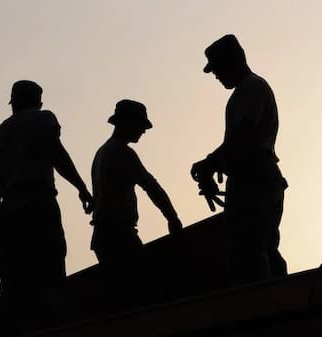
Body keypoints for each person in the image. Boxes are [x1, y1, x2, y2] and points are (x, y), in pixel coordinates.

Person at [0, 80, 93, 326]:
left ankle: (7, 332)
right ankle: (58, 328)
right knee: (51, 266)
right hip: (39, 205)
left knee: (13, 278)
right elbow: (58, 155)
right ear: (38, 102)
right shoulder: (43, 119)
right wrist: (81, 187)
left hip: (8, 213)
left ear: (13, 103)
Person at [191, 34, 288, 284]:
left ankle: (267, 301)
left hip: (255, 180)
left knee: (251, 251)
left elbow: (244, 135)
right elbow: (239, 143)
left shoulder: (250, 88)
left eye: (217, 69)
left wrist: (211, 162)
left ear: (233, 61)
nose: (216, 75)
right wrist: (217, 164)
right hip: (253, 179)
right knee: (261, 248)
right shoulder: (244, 92)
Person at [90, 99, 182, 306]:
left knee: (121, 296)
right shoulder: (121, 152)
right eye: (140, 125)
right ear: (126, 123)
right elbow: (151, 186)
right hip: (118, 235)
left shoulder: (102, 152)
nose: (143, 131)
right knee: (144, 289)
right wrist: (172, 218)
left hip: (104, 235)